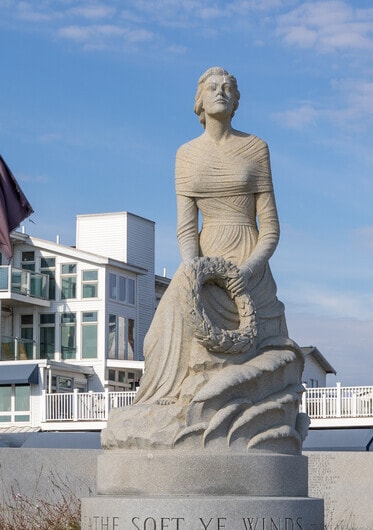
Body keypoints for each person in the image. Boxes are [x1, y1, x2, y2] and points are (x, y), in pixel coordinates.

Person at [101, 67, 306, 454]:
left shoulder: (256, 148)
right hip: (202, 257)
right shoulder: (185, 155)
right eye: (212, 87)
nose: (221, 92)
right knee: (159, 336)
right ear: (199, 99)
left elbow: (272, 228)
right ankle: (168, 397)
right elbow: (185, 227)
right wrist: (195, 273)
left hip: (248, 256)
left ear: (237, 100)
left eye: (229, 87)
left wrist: (246, 271)